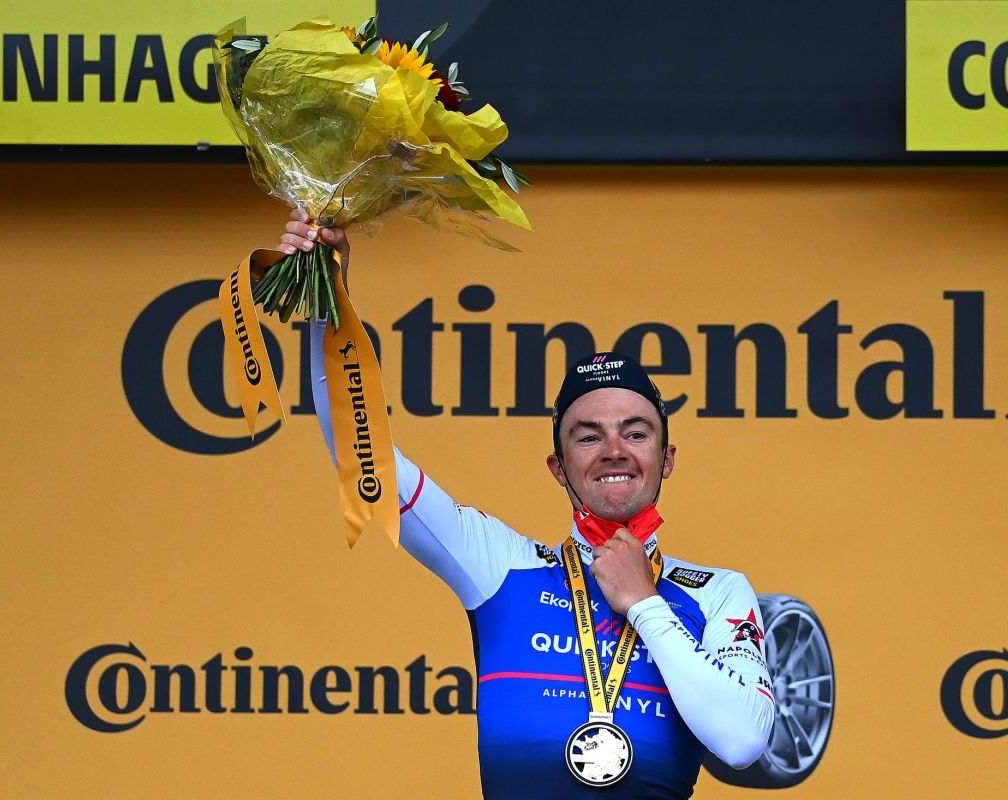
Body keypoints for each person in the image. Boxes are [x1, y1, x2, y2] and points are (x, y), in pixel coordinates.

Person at [280, 211, 775, 799]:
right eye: (588, 436)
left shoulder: (717, 593)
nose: (614, 450)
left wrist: (645, 603)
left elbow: (742, 741)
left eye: (636, 433)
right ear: (557, 467)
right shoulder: (500, 565)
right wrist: (326, 301)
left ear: (666, 459)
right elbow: (364, 457)